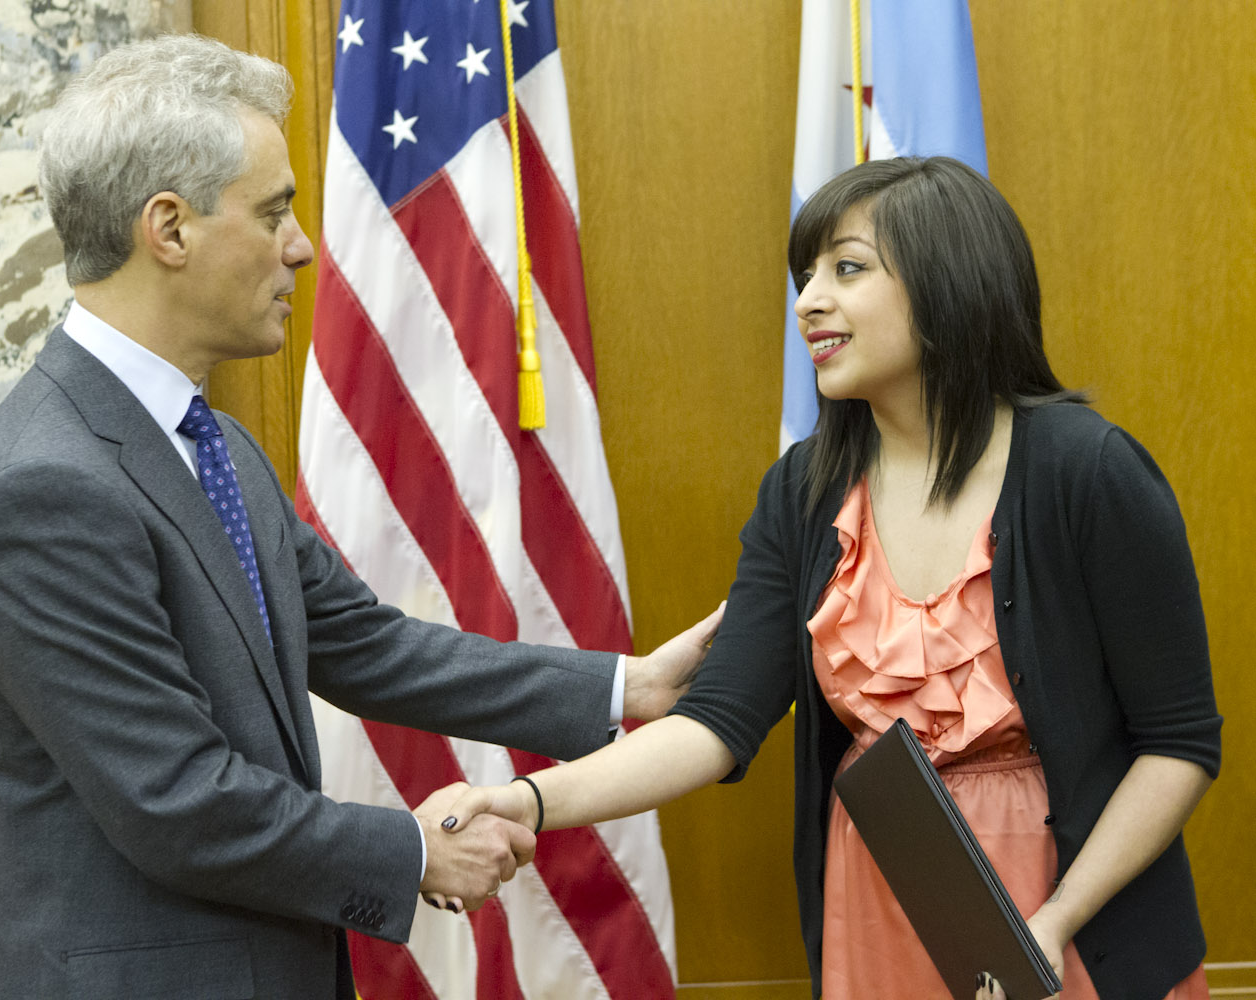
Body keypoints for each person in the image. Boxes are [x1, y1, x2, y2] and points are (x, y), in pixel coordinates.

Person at [0, 34, 720, 1000]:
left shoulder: (213, 444)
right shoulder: (41, 488)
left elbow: (367, 646)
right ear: (168, 229)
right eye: (274, 212)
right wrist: (411, 852)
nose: (303, 244)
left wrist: (627, 690)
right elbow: (175, 801)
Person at [441, 156, 1222, 1000]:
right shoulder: (803, 492)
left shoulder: (1087, 470)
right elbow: (713, 724)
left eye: (847, 269)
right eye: (806, 274)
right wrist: (528, 800)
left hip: (1073, 917)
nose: (809, 299)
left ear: (948, 281)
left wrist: (1055, 920)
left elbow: (1178, 743)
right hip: (881, 911)